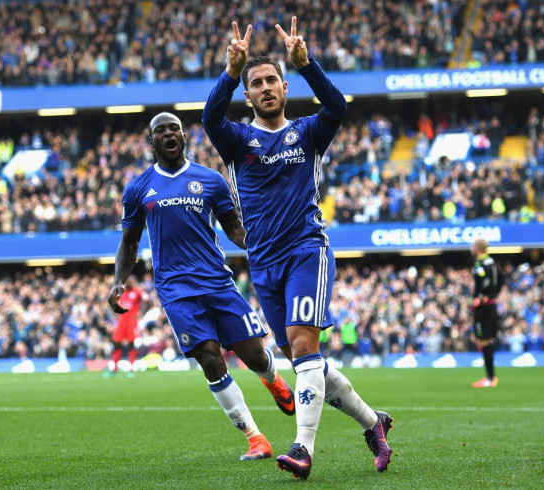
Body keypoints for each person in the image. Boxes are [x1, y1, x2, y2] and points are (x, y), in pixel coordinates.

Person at [202, 18, 393, 479]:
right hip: (263, 263)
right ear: (247, 96)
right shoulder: (237, 140)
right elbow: (209, 118)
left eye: (272, 80)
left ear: (284, 88)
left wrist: (307, 65)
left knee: (306, 346)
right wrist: (231, 72)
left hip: (307, 250)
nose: (265, 88)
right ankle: (374, 423)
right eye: (256, 84)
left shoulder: (307, 133)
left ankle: (302, 450)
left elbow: (337, 105)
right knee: (305, 362)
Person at [108, 111, 296, 461]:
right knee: (210, 359)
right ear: (151, 141)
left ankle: (272, 379)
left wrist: (258, 241)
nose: (168, 134)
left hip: (217, 281)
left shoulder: (210, 180)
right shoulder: (138, 188)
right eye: (160, 131)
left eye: (174, 129)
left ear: (183, 136)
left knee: (253, 355)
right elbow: (130, 242)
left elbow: (234, 228)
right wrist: (119, 281)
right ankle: (256, 438)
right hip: (175, 289)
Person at [470, 237, 504, 388]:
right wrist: (494, 295)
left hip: (484, 306)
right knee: (485, 339)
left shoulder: (481, 264)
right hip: (491, 305)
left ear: (477, 247)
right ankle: (490, 376)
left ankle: (490, 378)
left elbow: (485, 281)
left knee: (484, 339)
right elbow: (501, 279)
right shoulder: (493, 263)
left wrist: (482, 298)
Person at [104, 274, 146, 377]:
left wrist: (141, 312)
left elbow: (147, 301)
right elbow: (111, 301)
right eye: (128, 281)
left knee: (131, 344)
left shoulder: (138, 292)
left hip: (132, 322)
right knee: (116, 344)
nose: (130, 283)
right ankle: (114, 369)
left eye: (132, 282)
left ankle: (131, 369)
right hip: (121, 321)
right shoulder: (120, 291)